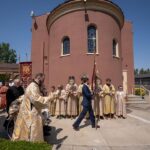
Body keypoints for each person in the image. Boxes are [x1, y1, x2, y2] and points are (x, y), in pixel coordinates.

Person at [12, 73, 52, 142]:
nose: (43, 81)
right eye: (43, 79)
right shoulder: (33, 86)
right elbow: (36, 99)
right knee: (32, 129)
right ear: (39, 78)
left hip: (31, 109)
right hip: (30, 111)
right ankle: (33, 143)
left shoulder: (35, 85)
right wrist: (49, 98)